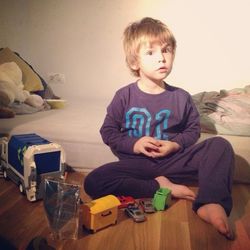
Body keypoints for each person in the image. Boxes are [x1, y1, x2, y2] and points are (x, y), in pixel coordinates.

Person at [84, 17, 235, 239]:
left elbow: (193, 130)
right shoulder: (124, 96)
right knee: (93, 181)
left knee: (220, 145)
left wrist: (175, 145)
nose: (162, 58)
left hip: (173, 161)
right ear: (135, 62)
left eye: (167, 50)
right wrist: (134, 144)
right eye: (151, 53)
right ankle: (160, 187)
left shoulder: (181, 97)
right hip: (136, 165)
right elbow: (108, 132)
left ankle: (211, 202)